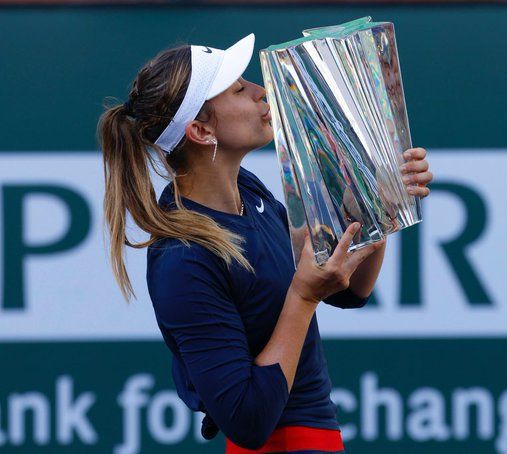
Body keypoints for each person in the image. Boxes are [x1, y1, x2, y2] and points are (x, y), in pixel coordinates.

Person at [97, 33, 433, 453]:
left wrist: (373, 207)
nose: (260, 92)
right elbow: (248, 421)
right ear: (200, 130)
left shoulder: (249, 191)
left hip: (317, 438)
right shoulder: (183, 259)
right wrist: (303, 296)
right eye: (239, 88)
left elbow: (352, 291)